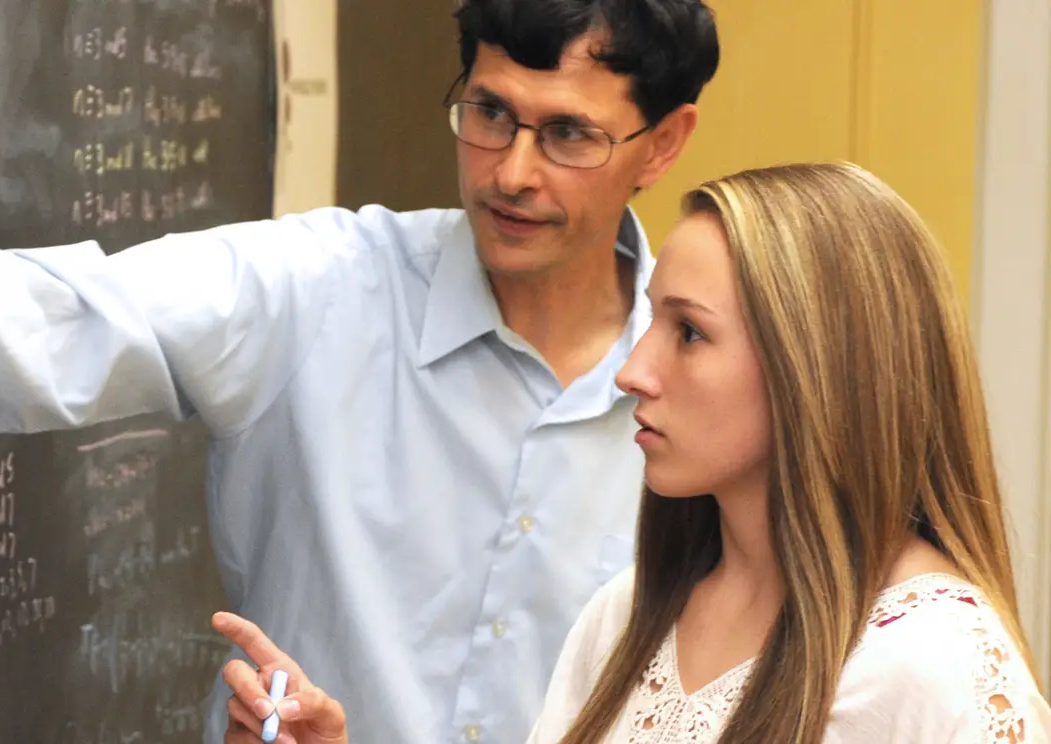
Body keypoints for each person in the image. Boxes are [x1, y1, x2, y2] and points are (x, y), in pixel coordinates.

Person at [0, 1, 719, 741]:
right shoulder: (321, 286)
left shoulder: (709, 388)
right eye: (489, 114)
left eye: (570, 134)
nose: (515, 172)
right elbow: (89, 313)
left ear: (663, 142)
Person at [213, 162, 1051, 743]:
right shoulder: (629, 613)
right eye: (650, 320)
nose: (634, 371)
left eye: (689, 332)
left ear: (819, 369)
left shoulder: (932, 666)